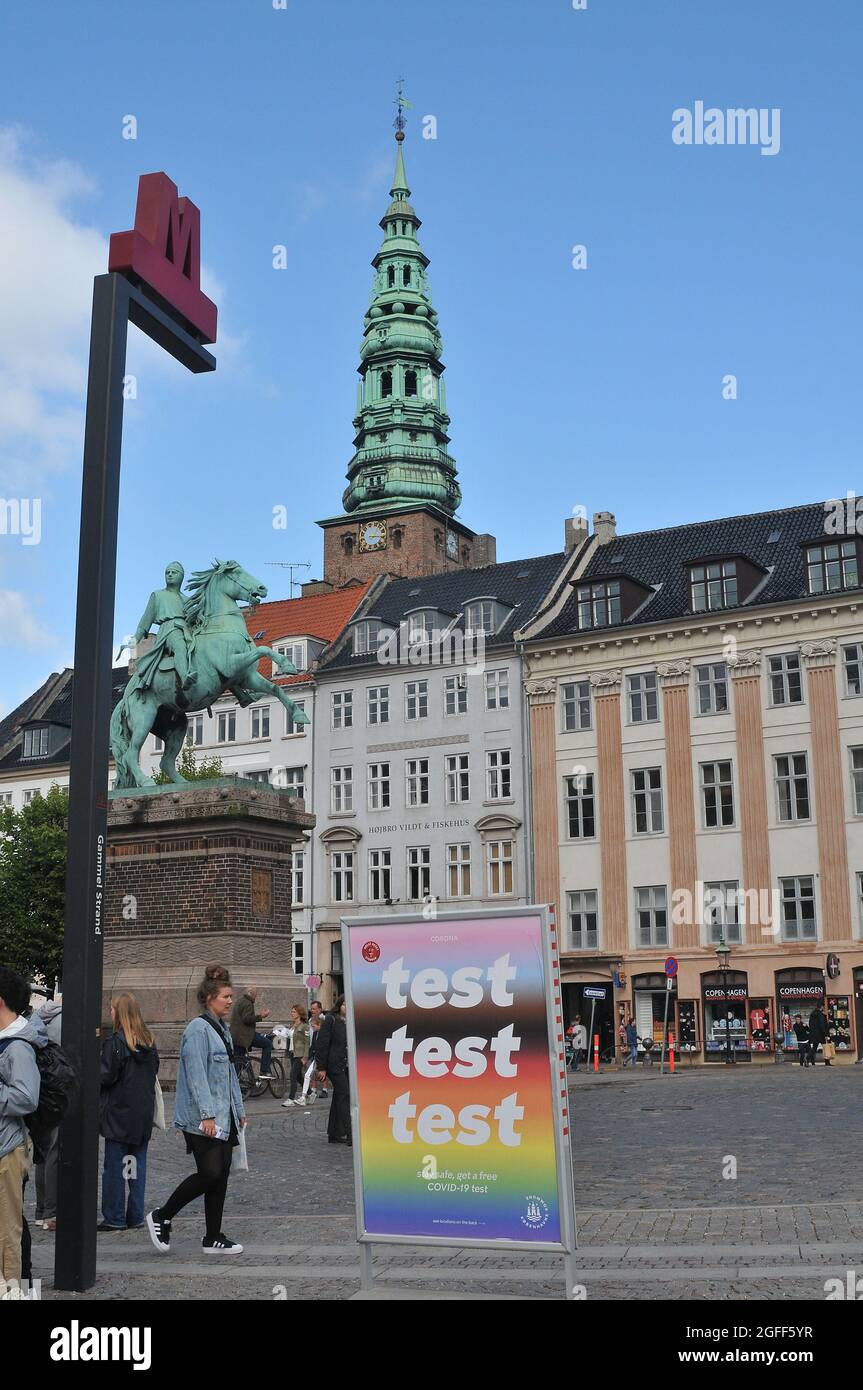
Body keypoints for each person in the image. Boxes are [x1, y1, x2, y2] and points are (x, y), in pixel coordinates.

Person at [147, 965, 246, 1255]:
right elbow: (196, 1075)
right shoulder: (197, 1030)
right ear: (209, 998)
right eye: (226, 996)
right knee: (210, 1173)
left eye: (231, 996)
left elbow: (228, 1073)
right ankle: (162, 1215)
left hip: (223, 1116)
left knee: (221, 1174)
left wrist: (238, 1108)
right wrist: (207, 1115)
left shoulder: (222, 1030)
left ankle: (213, 1237)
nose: (230, 1001)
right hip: (203, 1118)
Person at [0, 966, 44, 1297]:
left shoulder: (17, 1046)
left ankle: (13, 1293)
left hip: (7, 1150)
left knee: (6, 1234)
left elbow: (26, 1096)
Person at [99, 994, 159, 1231]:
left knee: (115, 1167)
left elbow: (105, 1076)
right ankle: (134, 1215)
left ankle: (114, 1216)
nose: (110, 1013)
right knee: (135, 1166)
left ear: (119, 1012)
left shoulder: (115, 1042)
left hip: (119, 1113)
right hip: (141, 1114)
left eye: (112, 1009)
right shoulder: (149, 1041)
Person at [33, 998, 62, 1232]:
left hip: (40, 1094)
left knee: (43, 1153)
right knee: (53, 1151)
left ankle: (41, 1210)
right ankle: (51, 1212)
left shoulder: (41, 1019)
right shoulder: (65, 1021)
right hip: (56, 1095)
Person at [315, 996, 351, 1145]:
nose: (346, 1008)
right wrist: (321, 1067)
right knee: (344, 1095)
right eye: (344, 1004)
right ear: (339, 1005)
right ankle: (350, 1133)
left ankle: (334, 1133)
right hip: (334, 1065)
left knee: (338, 1097)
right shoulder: (331, 1019)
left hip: (347, 1065)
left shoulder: (350, 1022)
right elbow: (322, 1043)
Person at [229, 986, 273, 1080]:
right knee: (267, 1044)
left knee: (238, 1063)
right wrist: (260, 1016)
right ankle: (264, 1070)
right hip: (245, 1036)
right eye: (256, 995)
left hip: (236, 1037)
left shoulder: (240, 1001)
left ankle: (236, 1085)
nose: (256, 998)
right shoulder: (248, 1003)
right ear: (252, 994)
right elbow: (246, 1019)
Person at [282, 1005, 309, 1106]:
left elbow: (307, 1042)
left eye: (294, 1012)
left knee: (292, 1075)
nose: (292, 1013)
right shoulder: (292, 1025)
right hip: (292, 1053)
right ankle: (310, 1094)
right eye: (291, 1011)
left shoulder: (304, 1026)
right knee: (298, 1077)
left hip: (300, 1054)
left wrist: (305, 1057)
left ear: (299, 1013)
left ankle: (290, 1099)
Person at [309, 1001, 328, 1098]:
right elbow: (311, 1034)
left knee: (322, 1068)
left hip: (322, 1048)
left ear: (320, 1009)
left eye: (314, 1009)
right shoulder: (310, 1020)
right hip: (314, 1047)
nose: (312, 1010)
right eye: (311, 1009)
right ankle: (314, 1089)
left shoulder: (324, 1019)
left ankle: (324, 1089)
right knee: (314, 1069)